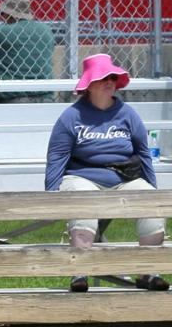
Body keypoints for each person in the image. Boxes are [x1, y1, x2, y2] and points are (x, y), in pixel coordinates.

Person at [44, 54, 167, 293]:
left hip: (123, 179)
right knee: (84, 205)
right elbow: (56, 158)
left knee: (152, 205)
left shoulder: (127, 114)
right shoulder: (72, 117)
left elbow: (143, 153)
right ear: (89, 85)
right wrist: (51, 196)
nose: (109, 81)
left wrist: (153, 191)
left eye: (112, 76)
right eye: (102, 78)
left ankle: (148, 271)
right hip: (82, 177)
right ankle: (80, 271)